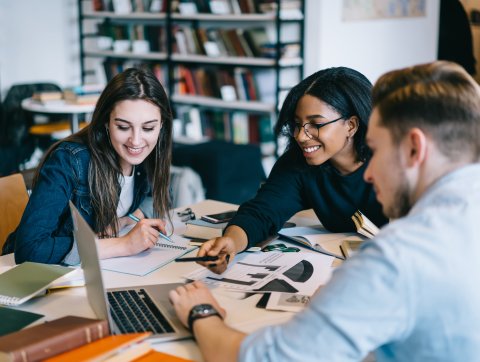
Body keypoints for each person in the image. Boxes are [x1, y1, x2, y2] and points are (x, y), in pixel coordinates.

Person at [169, 61, 480, 361]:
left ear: (414, 148)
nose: (370, 174)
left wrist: (201, 313)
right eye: (297, 125)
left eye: (378, 147)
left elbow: (268, 358)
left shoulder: (395, 257)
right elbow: (264, 209)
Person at [197, 67, 388, 273]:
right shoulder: (299, 161)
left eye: (316, 124)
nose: (301, 136)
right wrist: (231, 242)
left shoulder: (393, 161)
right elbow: (262, 212)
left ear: (351, 125)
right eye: (297, 124)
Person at [2, 68, 173, 265]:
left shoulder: (151, 152)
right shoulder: (69, 160)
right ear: (107, 122)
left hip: (99, 270)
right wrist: (124, 244)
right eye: (123, 127)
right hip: (36, 275)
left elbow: (163, 193)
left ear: (162, 125)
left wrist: (128, 219)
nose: (136, 141)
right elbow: (29, 249)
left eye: (148, 128)